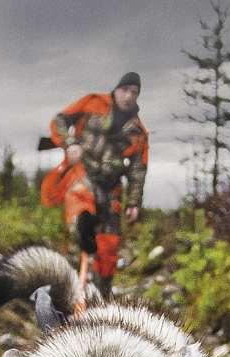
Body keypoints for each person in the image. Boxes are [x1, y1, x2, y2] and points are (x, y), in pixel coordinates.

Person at [40, 71, 149, 302]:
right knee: (81, 208)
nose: (129, 95)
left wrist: (134, 203)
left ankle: (102, 296)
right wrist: (69, 144)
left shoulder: (138, 131)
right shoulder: (92, 103)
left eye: (134, 92)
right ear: (117, 89)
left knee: (109, 247)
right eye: (125, 89)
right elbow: (60, 120)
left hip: (111, 187)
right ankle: (78, 240)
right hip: (83, 172)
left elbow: (138, 169)